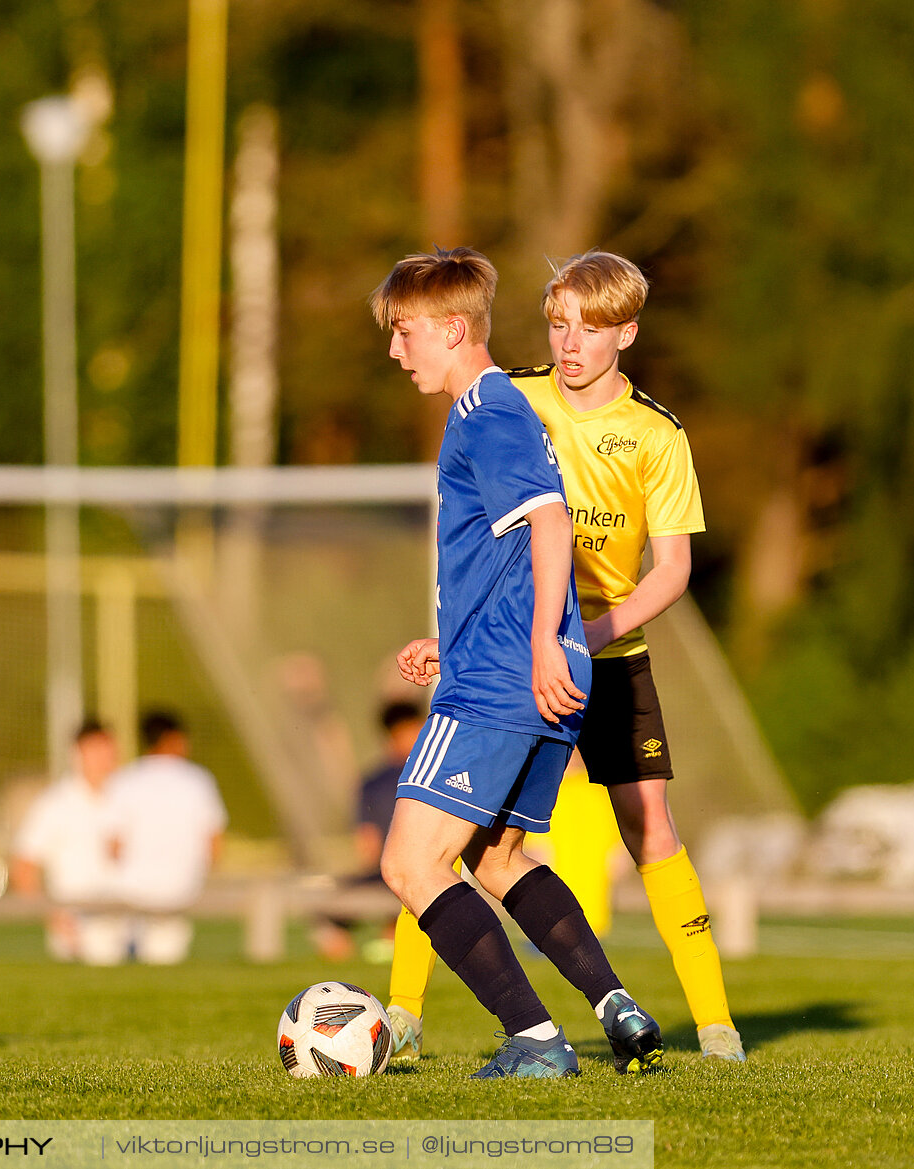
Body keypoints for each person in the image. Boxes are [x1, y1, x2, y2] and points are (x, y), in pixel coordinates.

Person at [386, 250, 741, 1064]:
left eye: (588, 327)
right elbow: (506, 544)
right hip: (527, 642)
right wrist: (474, 634)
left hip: (580, 649)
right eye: (557, 322)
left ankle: (708, 1023)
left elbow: (671, 570)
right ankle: (412, 1009)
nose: (568, 342)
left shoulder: (650, 433)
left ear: (628, 333)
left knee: (636, 825)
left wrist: (574, 634)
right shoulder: (518, 393)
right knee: (484, 846)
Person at [103, 711, 227, 965]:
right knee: (164, 963)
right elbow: (214, 842)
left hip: (131, 892)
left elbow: (113, 845)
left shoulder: (124, 779)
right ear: (174, 739)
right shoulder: (198, 780)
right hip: (179, 891)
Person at [311, 700, 423, 963]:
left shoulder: (372, 782)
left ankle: (354, 960)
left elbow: (368, 844)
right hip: (425, 870)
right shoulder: (432, 775)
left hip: (388, 872)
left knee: (327, 914)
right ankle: (390, 942)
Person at [11, 718, 125, 964]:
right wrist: (53, 918)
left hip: (128, 918)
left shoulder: (127, 797)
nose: (105, 757)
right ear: (77, 752)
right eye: (96, 749)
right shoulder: (55, 803)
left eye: (108, 748)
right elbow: (24, 866)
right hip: (78, 923)